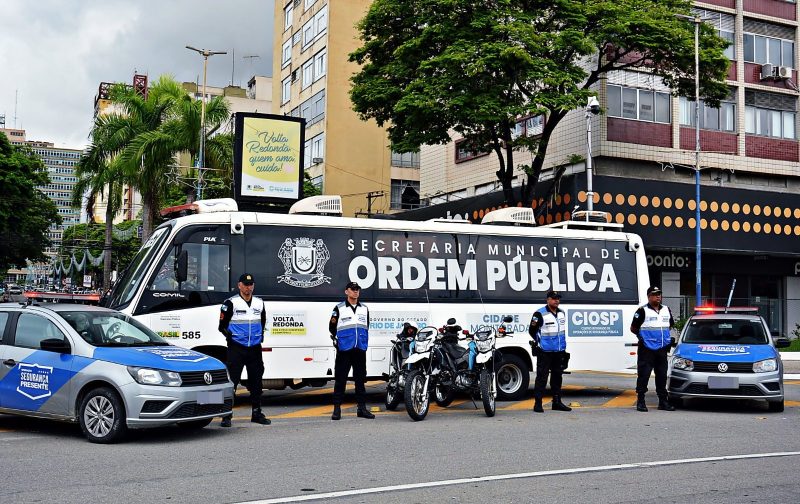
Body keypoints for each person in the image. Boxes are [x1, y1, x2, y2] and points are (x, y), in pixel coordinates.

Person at [218, 273, 270, 427]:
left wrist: (259, 338)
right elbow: (222, 326)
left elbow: (262, 322)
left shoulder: (260, 303)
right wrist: (232, 339)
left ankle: (257, 413)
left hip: (254, 348)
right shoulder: (230, 303)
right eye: (245, 284)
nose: (248, 287)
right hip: (237, 348)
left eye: (251, 284)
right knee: (232, 382)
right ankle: (226, 415)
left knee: (256, 382)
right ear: (239, 285)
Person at [328, 281, 374, 420]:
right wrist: (339, 342)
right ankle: (337, 410)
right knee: (340, 380)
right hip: (345, 350)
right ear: (346, 291)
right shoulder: (339, 308)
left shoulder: (364, 309)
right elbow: (332, 327)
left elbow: (367, 326)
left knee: (360, 380)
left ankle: (362, 409)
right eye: (353, 289)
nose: (356, 292)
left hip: (359, 349)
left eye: (357, 289)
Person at [630, 286, 676, 412]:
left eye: (659, 294)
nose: (658, 296)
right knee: (644, 375)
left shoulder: (666, 309)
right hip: (647, 349)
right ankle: (640, 401)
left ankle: (663, 402)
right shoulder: (642, 311)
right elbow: (633, 328)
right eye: (655, 294)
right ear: (649, 296)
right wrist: (643, 339)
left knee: (661, 376)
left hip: (662, 349)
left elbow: (669, 325)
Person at [529, 290, 571, 413]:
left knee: (557, 377)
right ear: (548, 300)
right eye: (553, 298)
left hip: (559, 351)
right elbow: (532, 330)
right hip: (545, 351)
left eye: (558, 298)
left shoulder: (562, 313)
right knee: (542, 378)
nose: (556, 300)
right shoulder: (539, 314)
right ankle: (538, 404)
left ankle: (557, 402)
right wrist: (541, 342)